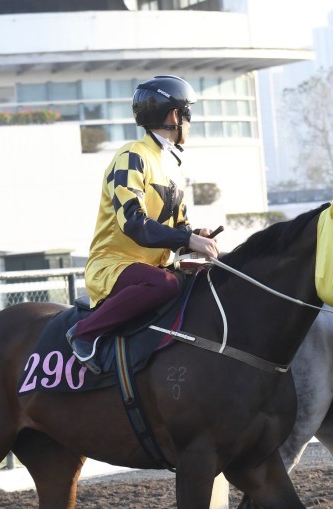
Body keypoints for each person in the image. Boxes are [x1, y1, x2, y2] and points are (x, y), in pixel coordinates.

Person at [67, 75, 219, 374]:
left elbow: (178, 228)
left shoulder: (173, 166)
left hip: (154, 267)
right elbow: (133, 223)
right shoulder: (131, 156)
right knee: (164, 284)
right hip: (113, 266)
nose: (190, 122)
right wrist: (187, 239)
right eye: (188, 113)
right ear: (175, 116)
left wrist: (195, 235)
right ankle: (84, 333)